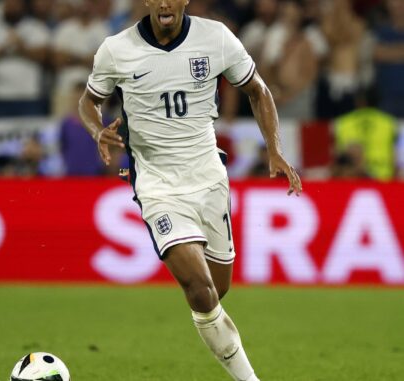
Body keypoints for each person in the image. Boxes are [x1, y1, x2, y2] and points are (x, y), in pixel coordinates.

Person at [78, 1, 302, 380]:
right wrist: (96, 129)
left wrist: (275, 149)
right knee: (199, 290)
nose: (165, 2)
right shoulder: (117, 49)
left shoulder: (215, 38)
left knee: (216, 289)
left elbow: (258, 90)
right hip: (157, 184)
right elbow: (89, 101)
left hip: (209, 178)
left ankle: (214, 327)